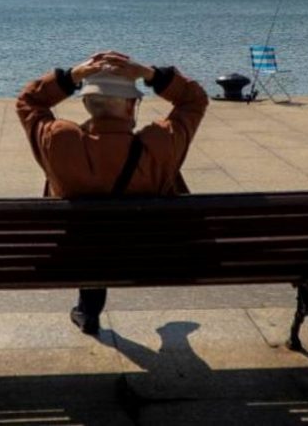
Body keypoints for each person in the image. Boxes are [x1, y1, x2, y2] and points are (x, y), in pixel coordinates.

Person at [16, 51, 209, 334]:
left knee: (90, 234)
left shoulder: (59, 142)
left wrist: (70, 77)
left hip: (74, 256)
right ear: (131, 107)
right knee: (111, 229)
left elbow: (29, 101)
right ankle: (88, 307)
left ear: (86, 103)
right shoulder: (160, 144)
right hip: (149, 257)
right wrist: (152, 74)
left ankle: (88, 309)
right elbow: (194, 100)